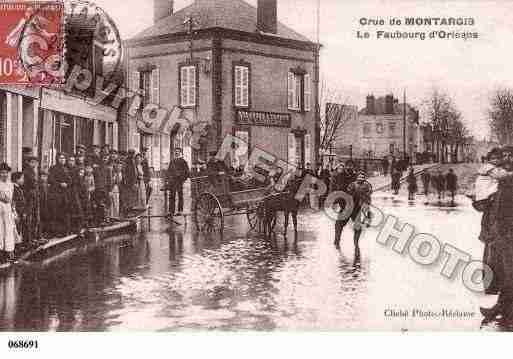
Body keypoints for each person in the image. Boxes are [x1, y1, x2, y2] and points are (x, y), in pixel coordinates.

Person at [344, 171, 373, 259]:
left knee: (359, 225)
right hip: (353, 206)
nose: (361, 178)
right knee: (351, 224)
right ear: (357, 177)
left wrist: (365, 198)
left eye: (362, 177)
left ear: (364, 178)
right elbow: (348, 192)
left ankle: (356, 242)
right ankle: (354, 242)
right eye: (359, 177)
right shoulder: (353, 184)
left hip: (361, 206)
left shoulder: (367, 185)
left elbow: (369, 194)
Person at [0, 163, 21, 262]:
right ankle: (1, 254)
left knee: (9, 230)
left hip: (7, 209)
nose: (4, 175)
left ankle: (9, 253)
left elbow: (11, 199)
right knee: (1, 231)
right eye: (2, 173)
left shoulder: (10, 184)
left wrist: (14, 210)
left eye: (6, 173)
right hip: (0, 209)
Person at [48, 153, 72, 236]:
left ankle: (65, 231)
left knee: (65, 212)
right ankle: (56, 231)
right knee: (56, 212)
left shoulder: (66, 169)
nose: (62, 160)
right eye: (60, 158)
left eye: (63, 158)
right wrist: (59, 184)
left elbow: (70, 180)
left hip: (65, 193)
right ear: (57, 159)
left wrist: (67, 184)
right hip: (56, 193)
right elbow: (51, 180)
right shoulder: (53, 168)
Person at [166, 148, 190, 216]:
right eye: (175, 152)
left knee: (180, 196)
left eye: (178, 152)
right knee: (171, 196)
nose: (176, 153)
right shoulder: (172, 161)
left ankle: (180, 210)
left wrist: (182, 179)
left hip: (179, 181)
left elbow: (187, 172)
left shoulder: (183, 162)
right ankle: (171, 211)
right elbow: (168, 171)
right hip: (172, 182)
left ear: (180, 153)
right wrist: (168, 179)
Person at [22, 155, 40, 245]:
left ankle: (33, 237)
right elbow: (27, 186)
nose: (34, 164)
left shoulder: (34, 171)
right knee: (29, 218)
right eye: (32, 162)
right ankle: (28, 240)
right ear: (28, 163)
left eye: (35, 162)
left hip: (35, 196)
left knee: (35, 218)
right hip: (29, 197)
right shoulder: (26, 172)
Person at [283, 166, 303, 235]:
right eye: (298, 171)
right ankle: (286, 229)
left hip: (293, 200)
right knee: (287, 214)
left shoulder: (299, 180)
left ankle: (295, 228)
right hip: (289, 199)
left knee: (294, 215)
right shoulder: (292, 179)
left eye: (299, 171)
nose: (299, 172)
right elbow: (286, 187)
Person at [93, 154, 113, 225]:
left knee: (107, 204)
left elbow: (110, 180)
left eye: (106, 159)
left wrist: (110, 190)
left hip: (105, 189)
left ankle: (106, 219)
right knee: (99, 204)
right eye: (103, 158)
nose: (104, 160)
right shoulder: (95, 169)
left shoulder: (108, 169)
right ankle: (100, 220)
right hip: (97, 189)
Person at [11, 172, 26, 248]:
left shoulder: (19, 188)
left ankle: (19, 245)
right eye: (22, 178)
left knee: (19, 229)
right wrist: (16, 213)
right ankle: (16, 247)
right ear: (17, 179)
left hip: (20, 212)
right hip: (17, 213)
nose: (23, 180)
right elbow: (14, 202)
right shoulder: (13, 189)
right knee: (16, 229)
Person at [121, 149, 137, 215]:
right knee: (127, 197)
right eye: (131, 153)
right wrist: (125, 180)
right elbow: (124, 171)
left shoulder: (133, 161)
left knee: (131, 197)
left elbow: (134, 171)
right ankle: (126, 212)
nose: (132, 155)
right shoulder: (126, 161)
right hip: (128, 182)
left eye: (133, 154)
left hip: (132, 181)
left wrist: (135, 181)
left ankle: (130, 210)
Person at [39, 171, 51, 238]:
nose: (44, 178)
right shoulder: (39, 185)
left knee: (46, 218)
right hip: (41, 204)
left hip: (46, 204)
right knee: (41, 219)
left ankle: (46, 233)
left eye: (45, 176)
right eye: (43, 176)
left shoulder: (47, 185)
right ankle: (41, 233)